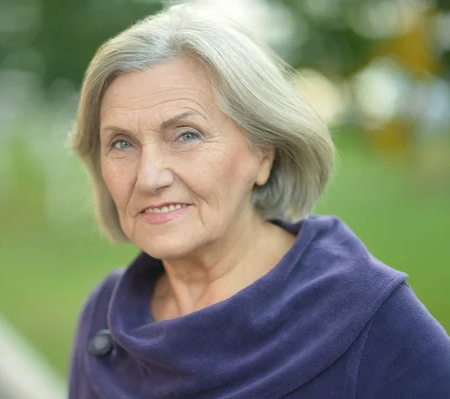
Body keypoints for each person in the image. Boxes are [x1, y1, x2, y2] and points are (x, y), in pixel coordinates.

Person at [67, 4, 450, 398]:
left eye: (186, 135)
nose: (148, 177)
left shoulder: (371, 317)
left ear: (263, 154)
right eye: (121, 143)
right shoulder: (106, 316)